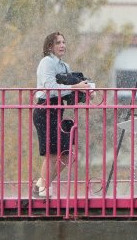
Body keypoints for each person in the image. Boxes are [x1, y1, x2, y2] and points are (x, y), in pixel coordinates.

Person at [33, 32, 90, 198]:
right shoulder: (47, 62)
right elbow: (50, 87)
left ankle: (40, 184)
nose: (62, 45)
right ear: (50, 46)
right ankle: (43, 188)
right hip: (45, 109)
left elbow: (71, 86)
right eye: (58, 42)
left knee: (66, 153)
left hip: (58, 110)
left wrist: (87, 90)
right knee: (51, 152)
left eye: (64, 42)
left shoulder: (64, 66)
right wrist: (76, 87)